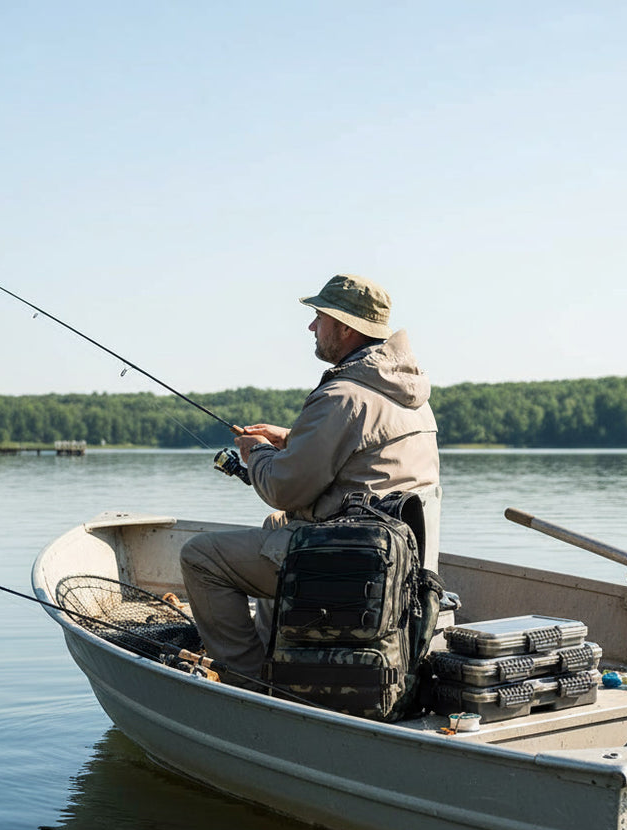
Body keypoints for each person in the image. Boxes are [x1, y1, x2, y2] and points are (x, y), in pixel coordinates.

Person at [180, 273, 441, 686]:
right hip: (395, 565)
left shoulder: (343, 396)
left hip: (347, 570)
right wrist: (292, 439)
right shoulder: (409, 397)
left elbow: (283, 489)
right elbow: (365, 455)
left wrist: (257, 453)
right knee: (279, 528)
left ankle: (247, 681)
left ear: (345, 327)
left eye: (318, 317)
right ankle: (277, 656)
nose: (311, 327)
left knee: (200, 556)